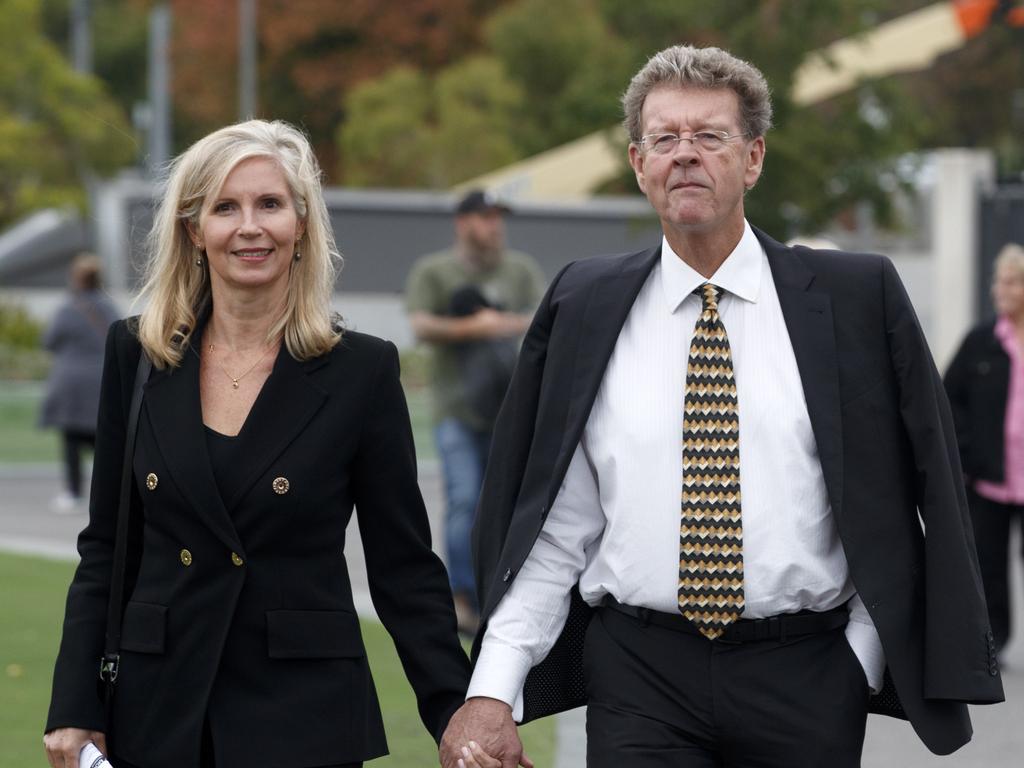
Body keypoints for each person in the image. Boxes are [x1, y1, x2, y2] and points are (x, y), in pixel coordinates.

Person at [439, 44, 1004, 768]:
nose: (685, 155)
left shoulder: (855, 298)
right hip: (640, 677)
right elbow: (557, 524)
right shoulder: (584, 303)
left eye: (710, 136)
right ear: (638, 163)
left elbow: (905, 494)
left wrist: (855, 663)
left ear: (754, 158)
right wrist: (490, 690)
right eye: (664, 139)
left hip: (806, 676)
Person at [43, 119, 471, 768]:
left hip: (300, 715)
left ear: (301, 224)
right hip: (157, 711)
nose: (250, 226)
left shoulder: (363, 370)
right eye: (225, 207)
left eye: (270, 204)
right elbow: (106, 547)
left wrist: (455, 712)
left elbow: (403, 566)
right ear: (194, 231)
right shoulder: (135, 354)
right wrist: (74, 704)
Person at [405, 190, 546, 635]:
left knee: (503, 504)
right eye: (486, 218)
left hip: (509, 409)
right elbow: (420, 324)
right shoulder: (434, 270)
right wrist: (472, 327)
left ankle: (496, 593)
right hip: (457, 410)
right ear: (462, 223)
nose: (495, 226)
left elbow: (542, 317)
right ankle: (462, 595)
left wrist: (496, 323)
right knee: (465, 499)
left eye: (498, 218)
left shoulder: (520, 269)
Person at [945, 242, 1024, 657]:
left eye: (1011, 282)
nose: (1000, 289)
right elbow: (948, 396)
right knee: (989, 565)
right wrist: (968, 451)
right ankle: (994, 640)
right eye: (998, 281)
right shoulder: (981, 341)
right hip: (991, 475)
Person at [39, 252, 120, 514]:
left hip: (71, 383)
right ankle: (110, 493)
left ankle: (73, 492)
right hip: (101, 381)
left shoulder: (67, 308)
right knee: (104, 440)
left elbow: (49, 341)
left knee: (71, 440)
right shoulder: (109, 307)